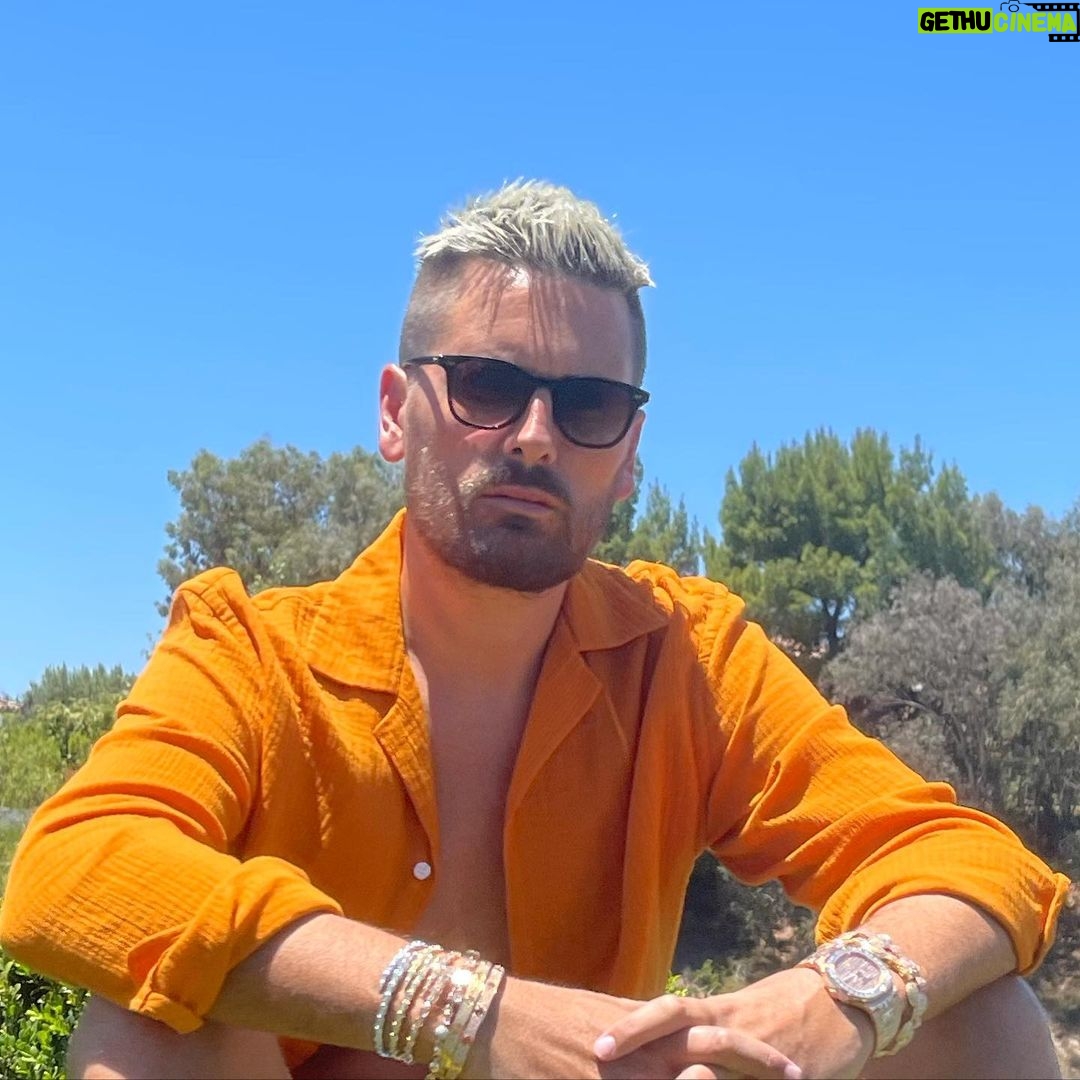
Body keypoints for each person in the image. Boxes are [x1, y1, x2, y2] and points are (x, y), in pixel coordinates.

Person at [0, 181, 1069, 1080]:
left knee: (971, 1012)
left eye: (589, 405)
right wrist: (468, 1010)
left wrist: (828, 1005)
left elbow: (970, 862)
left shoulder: (690, 659)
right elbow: (77, 865)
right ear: (395, 411)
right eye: (488, 386)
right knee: (152, 1021)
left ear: (630, 453)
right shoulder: (249, 650)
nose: (535, 437)